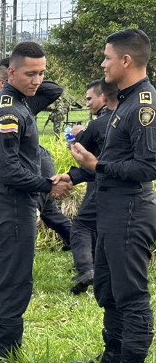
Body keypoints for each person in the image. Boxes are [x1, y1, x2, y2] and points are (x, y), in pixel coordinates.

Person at [58, 28, 156, 363]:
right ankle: (112, 354)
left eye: (107, 57)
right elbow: (115, 157)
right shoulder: (123, 103)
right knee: (107, 287)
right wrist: (81, 168)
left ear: (126, 60)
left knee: (130, 291)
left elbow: (147, 165)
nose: (103, 63)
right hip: (111, 208)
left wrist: (96, 165)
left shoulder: (144, 105)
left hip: (131, 209)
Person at [0, 42, 67, 359]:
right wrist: (47, 185)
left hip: (2, 202)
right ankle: (3, 354)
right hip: (11, 204)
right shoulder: (10, 111)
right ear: (10, 73)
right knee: (12, 282)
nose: (37, 80)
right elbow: (8, 170)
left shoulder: (17, 103)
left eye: (42, 73)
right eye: (30, 73)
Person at [67, 79, 117, 295]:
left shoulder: (96, 125)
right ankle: (102, 270)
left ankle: (86, 269)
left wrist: (75, 136)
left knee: (80, 226)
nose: (87, 103)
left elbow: (80, 153)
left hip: (100, 184)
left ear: (103, 97)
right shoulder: (126, 120)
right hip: (126, 187)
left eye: (89, 98)